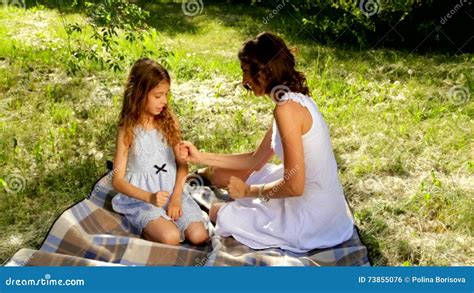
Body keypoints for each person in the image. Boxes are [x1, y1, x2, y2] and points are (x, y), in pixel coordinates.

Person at [179, 32, 354, 252]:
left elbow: (294, 186)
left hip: (313, 218)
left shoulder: (286, 110)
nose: (244, 81)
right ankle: (204, 179)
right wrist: (200, 156)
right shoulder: (293, 99)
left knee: (219, 213)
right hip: (317, 199)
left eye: (245, 71)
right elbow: (256, 159)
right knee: (220, 174)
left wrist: (248, 191)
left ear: (263, 71)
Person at [111, 58, 208, 246]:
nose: (164, 101)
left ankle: (168, 221)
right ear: (139, 94)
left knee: (199, 236)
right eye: (158, 96)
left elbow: (182, 165)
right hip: (143, 199)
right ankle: (149, 227)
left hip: (173, 193)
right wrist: (149, 197)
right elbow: (117, 180)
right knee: (170, 238)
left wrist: (177, 198)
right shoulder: (127, 129)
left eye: (166, 94)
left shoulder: (169, 122)